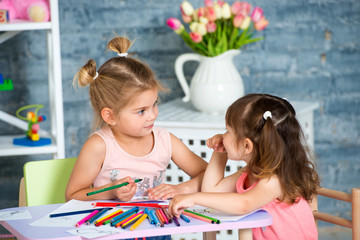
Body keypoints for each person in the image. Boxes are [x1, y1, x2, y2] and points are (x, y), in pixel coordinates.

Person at [65, 36, 208, 204]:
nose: (153, 115)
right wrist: (111, 192)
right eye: (141, 111)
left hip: (156, 227)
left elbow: (209, 175)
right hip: (110, 228)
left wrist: (180, 189)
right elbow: (72, 195)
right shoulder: (99, 146)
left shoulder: (165, 140)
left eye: (154, 105)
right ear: (110, 116)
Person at [168, 93, 320, 240]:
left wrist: (194, 198)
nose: (223, 135)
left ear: (247, 146)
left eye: (228, 131)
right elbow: (211, 191)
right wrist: (220, 152)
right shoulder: (250, 172)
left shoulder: (274, 180)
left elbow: (244, 204)